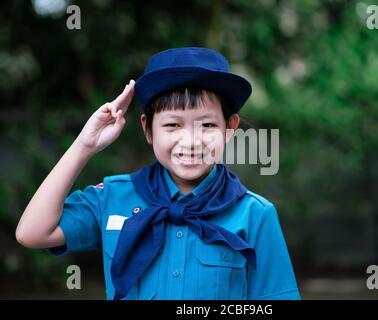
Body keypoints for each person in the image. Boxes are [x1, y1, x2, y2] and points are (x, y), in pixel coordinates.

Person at [15, 47, 301, 300]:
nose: (190, 141)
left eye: (207, 126)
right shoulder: (114, 198)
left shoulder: (255, 214)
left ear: (229, 129)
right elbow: (33, 233)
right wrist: (84, 146)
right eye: (172, 125)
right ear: (147, 129)